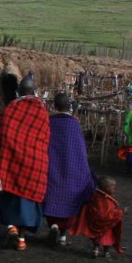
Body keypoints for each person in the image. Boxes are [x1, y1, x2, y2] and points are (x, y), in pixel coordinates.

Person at [0, 72, 50, 251]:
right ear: (34, 91)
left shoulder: (9, 111)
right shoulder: (41, 112)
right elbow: (44, 140)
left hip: (10, 165)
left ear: (18, 92)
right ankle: (21, 237)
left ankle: (11, 228)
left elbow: (0, 132)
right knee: (26, 204)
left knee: (8, 199)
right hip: (33, 165)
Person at [43, 93, 97, 246]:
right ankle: (63, 235)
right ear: (70, 107)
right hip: (72, 168)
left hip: (53, 166)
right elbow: (80, 149)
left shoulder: (49, 121)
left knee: (52, 195)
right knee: (70, 198)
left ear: (55, 106)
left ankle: (53, 225)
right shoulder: (74, 124)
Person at [71, 176, 126, 257]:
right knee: (108, 239)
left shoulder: (95, 196)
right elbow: (108, 214)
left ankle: (95, 250)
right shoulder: (105, 200)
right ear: (107, 188)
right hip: (106, 225)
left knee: (97, 239)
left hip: (96, 223)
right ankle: (106, 252)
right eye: (113, 186)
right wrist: (121, 211)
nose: (115, 188)